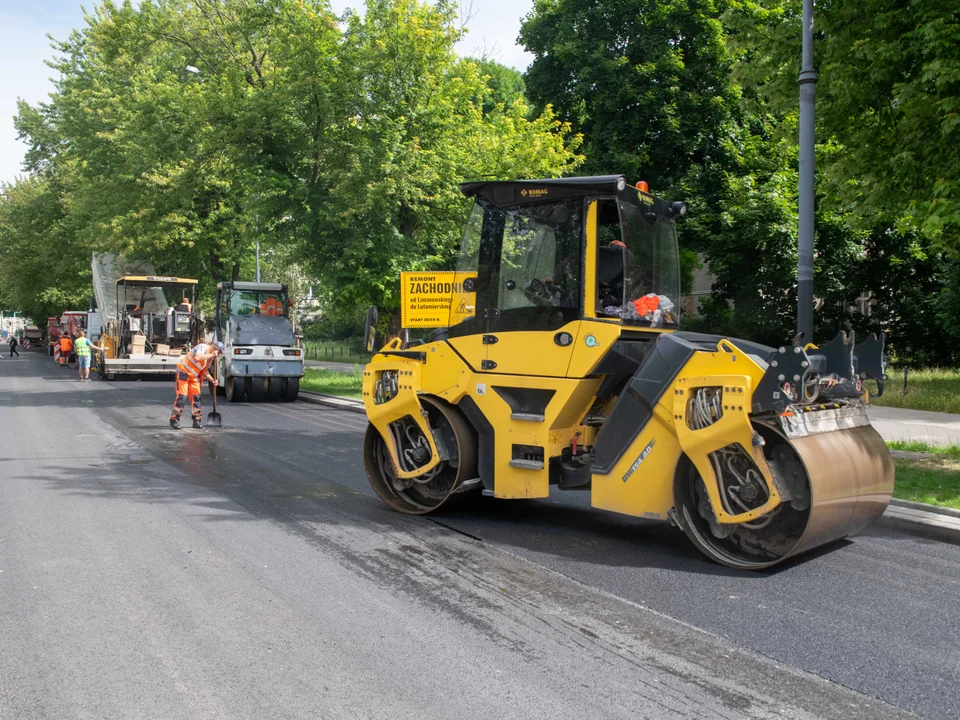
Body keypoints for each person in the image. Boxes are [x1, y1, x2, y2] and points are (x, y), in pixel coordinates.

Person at [169, 341, 224, 430]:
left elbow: (205, 371)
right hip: (184, 373)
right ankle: (174, 419)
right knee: (182, 396)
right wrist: (211, 355)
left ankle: (196, 420)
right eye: (219, 352)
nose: (218, 354)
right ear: (215, 348)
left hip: (193, 377)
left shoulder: (209, 359)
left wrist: (212, 380)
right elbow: (197, 357)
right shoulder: (203, 347)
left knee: (196, 398)